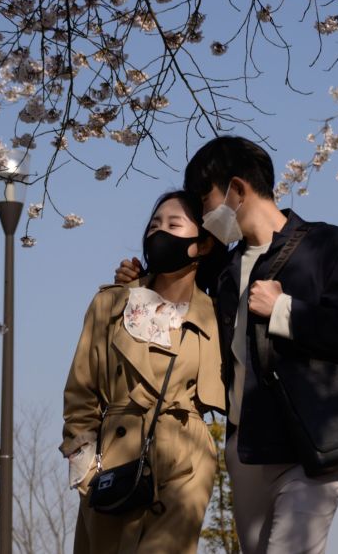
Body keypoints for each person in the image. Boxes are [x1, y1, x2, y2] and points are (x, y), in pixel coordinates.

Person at [117, 136, 338, 554]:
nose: (206, 215)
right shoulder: (225, 271)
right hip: (246, 450)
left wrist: (284, 309)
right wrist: (138, 283)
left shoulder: (326, 245)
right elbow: (182, 298)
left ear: (237, 190)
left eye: (206, 201)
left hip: (313, 446)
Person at [62, 191, 226, 554]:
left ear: (202, 244)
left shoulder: (216, 315)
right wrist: (84, 467)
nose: (159, 233)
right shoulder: (111, 303)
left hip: (185, 458)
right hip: (113, 462)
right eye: (153, 225)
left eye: (173, 225)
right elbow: (80, 393)